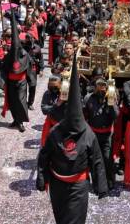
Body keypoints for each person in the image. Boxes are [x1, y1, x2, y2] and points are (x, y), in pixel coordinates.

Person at [36, 55, 107, 224]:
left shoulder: (88, 133)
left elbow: (96, 159)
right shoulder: (55, 132)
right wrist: (41, 178)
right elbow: (44, 156)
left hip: (78, 185)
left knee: (75, 219)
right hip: (58, 183)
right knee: (61, 218)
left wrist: (100, 184)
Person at [83, 78, 118, 190]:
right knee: (94, 160)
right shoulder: (88, 98)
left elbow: (116, 115)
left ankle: (110, 181)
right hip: (94, 134)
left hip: (107, 134)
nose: (101, 88)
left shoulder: (111, 97)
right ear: (95, 87)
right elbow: (84, 116)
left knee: (108, 159)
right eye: (99, 85)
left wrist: (111, 103)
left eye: (103, 85)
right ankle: (97, 184)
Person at [1, 13, 30, 132]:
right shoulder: (9, 55)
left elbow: (28, 67)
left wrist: (31, 81)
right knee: (12, 101)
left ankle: (21, 121)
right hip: (10, 81)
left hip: (21, 81)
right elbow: (3, 67)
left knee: (20, 101)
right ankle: (15, 119)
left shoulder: (24, 54)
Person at [40, 75, 66, 146]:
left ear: (60, 84)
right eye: (51, 86)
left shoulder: (66, 94)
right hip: (52, 125)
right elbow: (44, 110)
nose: (53, 88)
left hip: (65, 126)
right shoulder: (47, 94)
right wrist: (57, 105)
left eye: (55, 86)